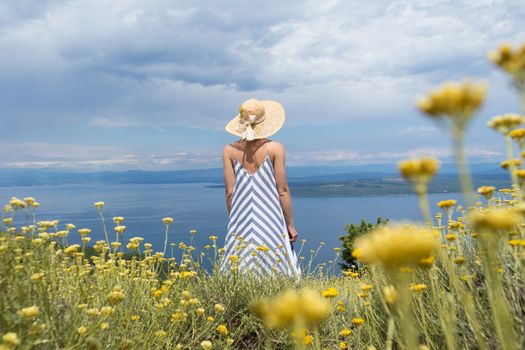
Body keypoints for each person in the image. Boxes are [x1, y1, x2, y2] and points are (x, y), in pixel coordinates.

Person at [219, 98, 301, 278]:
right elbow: (282, 190)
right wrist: (290, 224)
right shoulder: (275, 148)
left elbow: (230, 192)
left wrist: (235, 221)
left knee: (239, 270)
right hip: (271, 219)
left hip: (240, 219)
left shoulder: (229, 150)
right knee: (277, 269)